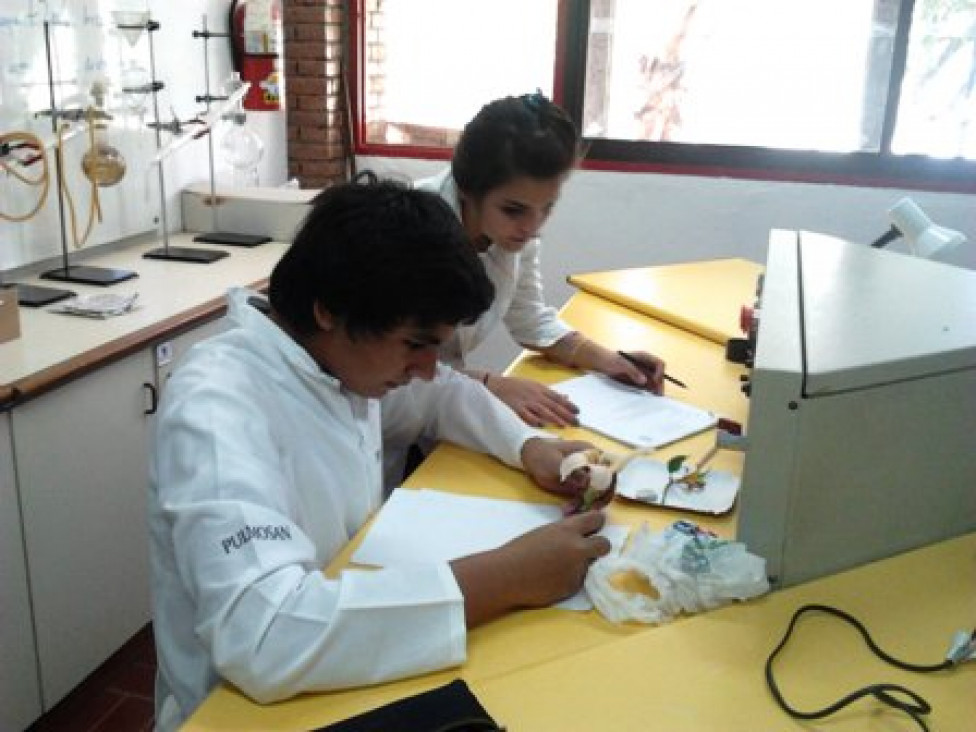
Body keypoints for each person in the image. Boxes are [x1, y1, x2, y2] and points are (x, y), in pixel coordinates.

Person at [148, 175, 611, 731]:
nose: (426, 366)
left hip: (343, 661)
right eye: (416, 344)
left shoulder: (337, 360)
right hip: (240, 710)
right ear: (329, 309)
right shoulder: (219, 407)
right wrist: (507, 577)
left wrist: (530, 446)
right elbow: (264, 634)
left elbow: (440, 394)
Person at [416, 91, 667, 429]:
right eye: (514, 210)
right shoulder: (411, 233)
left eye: (547, 207)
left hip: (433, 402)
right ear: (466, 189)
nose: (533, 227)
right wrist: (490, 385)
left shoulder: (513, 233)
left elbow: (529, 317)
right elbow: (395, 362)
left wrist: (608, 360)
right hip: (384, 412)